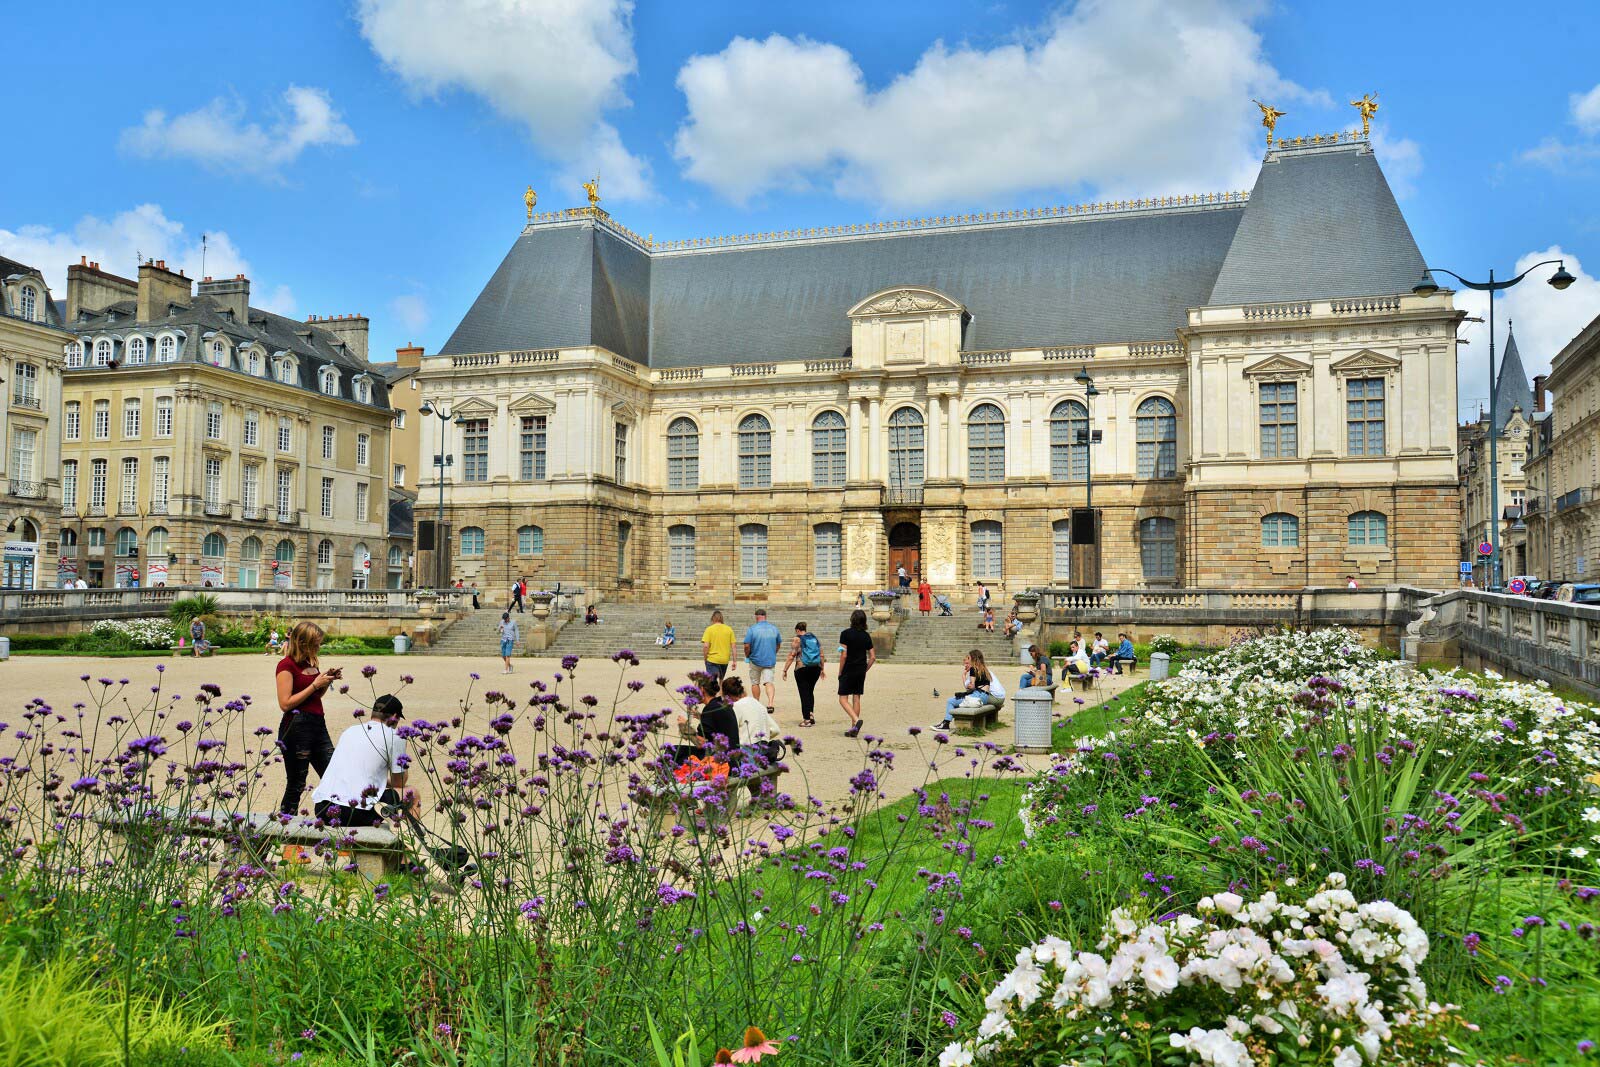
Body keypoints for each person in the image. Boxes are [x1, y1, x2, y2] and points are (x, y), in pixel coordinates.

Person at [311, 694, 419, 827]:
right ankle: (411, 845)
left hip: (323, 808)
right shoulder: (395, 736)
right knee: (412, 793)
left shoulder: (349, 731)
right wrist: (383, 782)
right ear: (395, 717)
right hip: (355, 811)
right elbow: (399, 782)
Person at [276, 622, 340, 822]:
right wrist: (314, 685)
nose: (318, 647)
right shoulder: (286, 666)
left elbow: (314, 697)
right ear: (303, 643)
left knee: (334, 775)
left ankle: (332, 822)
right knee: (296, 783)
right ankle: (283, 828)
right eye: (315, 643)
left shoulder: (310, 664)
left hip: (317, 724)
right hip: (296, 727)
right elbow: (285, 704)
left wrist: (325, 681)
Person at [673, 673, 740, 764]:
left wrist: (685, 727)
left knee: (674, 752)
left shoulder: (710, 709)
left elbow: (701, 744)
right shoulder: (720, 703)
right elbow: (718, 725)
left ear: (702, 689)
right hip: (731, 758)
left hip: (721, 761)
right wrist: (702, 717)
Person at [934, 649, 998, 729]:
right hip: (985, 697)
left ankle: (945, 724)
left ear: (973, 658)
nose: (968, 659)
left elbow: (971, 687)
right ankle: (945, 723)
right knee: (958, 700)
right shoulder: (984, 668)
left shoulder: (973, 669)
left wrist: (964, 677)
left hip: (978, 696)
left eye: (969, 658)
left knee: (950, 701)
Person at [837, 609, 875, 737]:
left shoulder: (845, 634)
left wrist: (840, 671)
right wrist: (865, 669)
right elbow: (873, 657)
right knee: (856, 698)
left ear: (852, 620)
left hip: (848, 668)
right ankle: (853, 729)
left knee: (842, 698)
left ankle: (857, 720)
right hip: (860, 670)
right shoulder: (866, 635)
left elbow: (844, 655)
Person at [725, 675, 782, 762]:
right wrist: (763, 737)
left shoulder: (735, 707)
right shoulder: (758, 704)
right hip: (764, 748)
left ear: (728, 696)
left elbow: (731, 732)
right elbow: (776, 729)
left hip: (746, 750)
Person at [781, 621, 825, 727]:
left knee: (804, 693)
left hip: (802, 668)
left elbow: (792, 655)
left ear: (797, 630)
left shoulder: (797, 639)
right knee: (810, 691)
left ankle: (806, 720)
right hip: (815, 668)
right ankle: (811, 715)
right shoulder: (814, 638)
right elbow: (822, 654)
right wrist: (822, 669)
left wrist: (785, 670)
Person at [742, 608, 783, 712]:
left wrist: (747, 655)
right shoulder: (774, 629)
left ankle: (756, 703)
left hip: (755, 659)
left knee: (755, 682)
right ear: (765, 616)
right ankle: (770, 704)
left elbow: (747, 645)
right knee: (769, 682)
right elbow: (778, 644)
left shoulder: (752, 629)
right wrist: (773, 653)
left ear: (756, 617)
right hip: (769, 659)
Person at [701, 610, 736, 680]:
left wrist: (705, 658)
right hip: (724, 659)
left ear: (713, 618)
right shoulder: (729, 629)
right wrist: (734, 661)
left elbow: (706, 646)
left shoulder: (709, 629)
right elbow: (734, 646)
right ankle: (720, 690)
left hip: (712, 659)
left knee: (712, 681)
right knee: (721, 680)